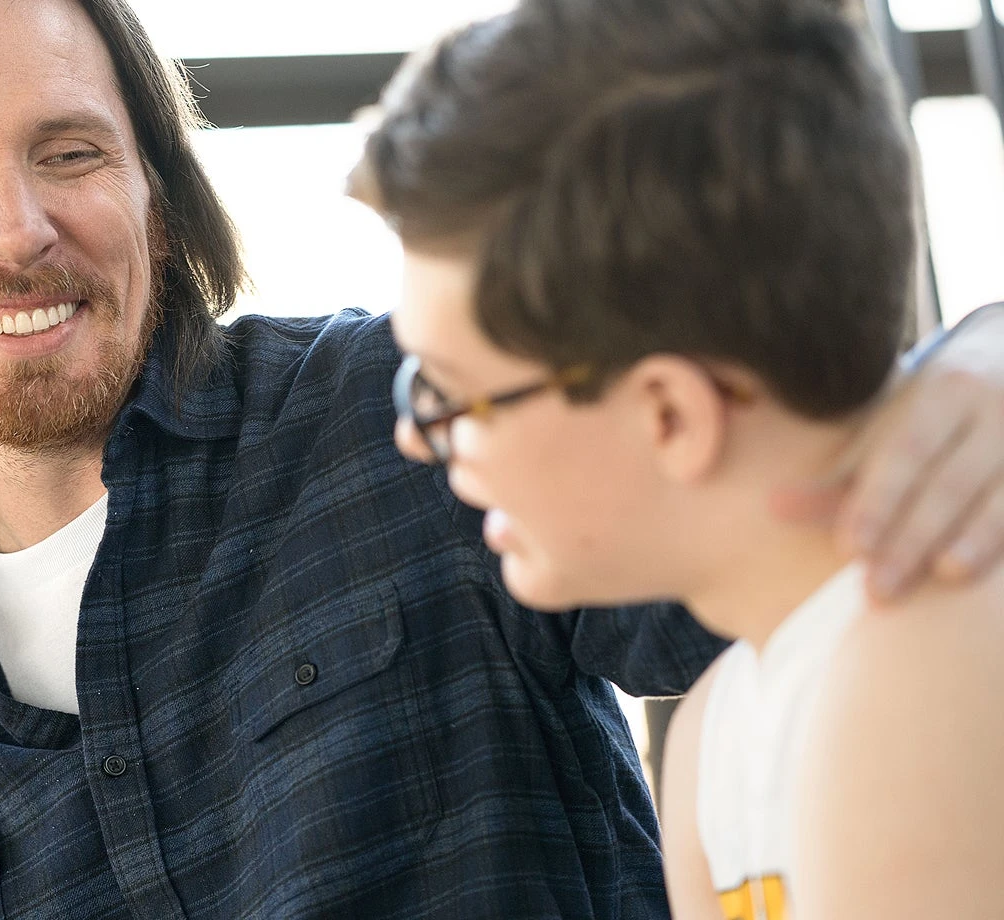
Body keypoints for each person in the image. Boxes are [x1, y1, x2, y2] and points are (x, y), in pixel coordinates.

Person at [0, 0, 1004, 916]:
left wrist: (980, 372)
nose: (14, 226)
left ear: (156, 200)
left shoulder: (418, 416)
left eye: (71, 152)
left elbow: (787, 484)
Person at [355, 0, 1004, 917]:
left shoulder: (919, 668)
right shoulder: (712, 735)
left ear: (670, 414)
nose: (416, 437)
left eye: (454, 395)